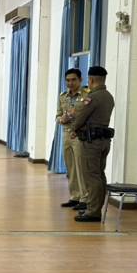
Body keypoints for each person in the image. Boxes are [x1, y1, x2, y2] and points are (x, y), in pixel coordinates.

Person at [70, 65, 116, 223]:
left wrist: (74, 129)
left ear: (91, 80)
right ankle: (95, 208)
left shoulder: (93, 97)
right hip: (103, 141)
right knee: (99, 175)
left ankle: (93, 211)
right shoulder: (108, 96)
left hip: (91, 143)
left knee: (91, 177)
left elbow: (80, 117)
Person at [56, 69, 90, 210]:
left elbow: (88, 115)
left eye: (73, 80)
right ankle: (75, 196)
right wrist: (61, 119)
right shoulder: (63, 96)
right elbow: (57, 115)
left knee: (81, 167)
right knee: (70, 167)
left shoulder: (86, 95)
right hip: (66, 134)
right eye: (68, 80)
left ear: (80, 80)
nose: (70, 83)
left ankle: (85, 199)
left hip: (79, 135)